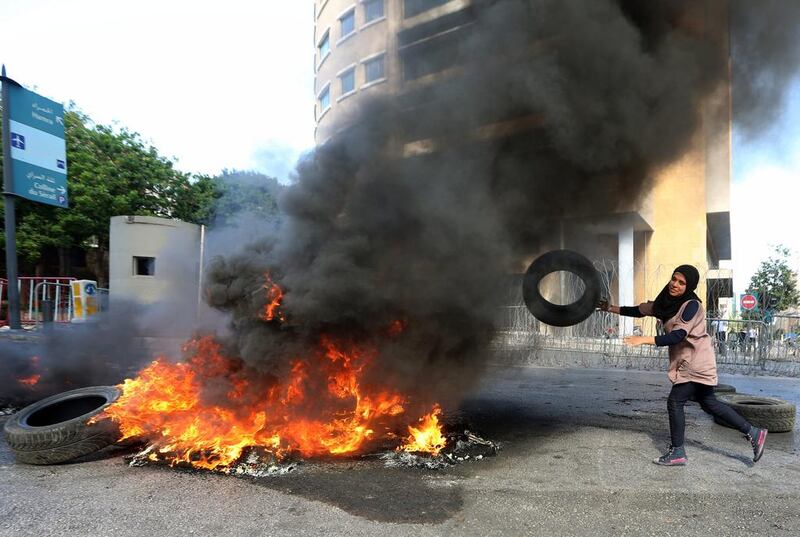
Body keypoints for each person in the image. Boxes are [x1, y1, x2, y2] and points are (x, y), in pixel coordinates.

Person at [598, 265, 767, 466]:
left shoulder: (691, 305)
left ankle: (678, 451)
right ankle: (753, 432)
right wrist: (610, 308)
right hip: (691, 359)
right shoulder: (665, 303)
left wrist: (643, 339)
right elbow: (639, 310)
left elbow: (678, 335)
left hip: (695, 361)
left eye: (681, 282)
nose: (675, 284)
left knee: (675, 401)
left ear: (689, 286)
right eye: (674, 279)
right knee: (708, 403)